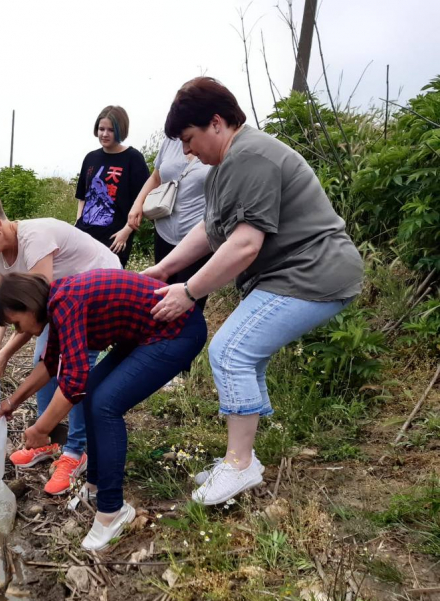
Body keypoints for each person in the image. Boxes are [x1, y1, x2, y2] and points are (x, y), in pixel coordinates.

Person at [143, 77, 364, 505]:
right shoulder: (223, 167)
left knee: (230, 351)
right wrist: (163, 269)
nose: (187, 151)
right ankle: (241, 458)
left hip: (313, 272)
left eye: (189, 139)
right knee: (247, 353)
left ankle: (240, 465)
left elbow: (244, 245)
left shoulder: (252, 156)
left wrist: (187, 292)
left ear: (217, 122)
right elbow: (210, 230)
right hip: (289, 274)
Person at [0, 271, 206, 551]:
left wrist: (41, 429)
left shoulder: (65, 301)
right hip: (144, 334)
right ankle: (94, 486)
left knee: (105, 405)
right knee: (94, 391)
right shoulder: (57, 303)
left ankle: (113, 511)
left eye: (17, 324)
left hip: (177, 332)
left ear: (28, 304)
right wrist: (12, 402)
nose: (21, 332)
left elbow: (73, 381)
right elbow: (50, 364)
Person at [0, 189, 121, 495]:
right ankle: (49, 440)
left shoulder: (35, 238)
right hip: (63, 300)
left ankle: (76, 451)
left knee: (74, 370)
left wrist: (5, 356)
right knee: (42, 363)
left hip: (99, 293)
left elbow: (36, 310)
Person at [127, 136, 212, 309]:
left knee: (189, 302)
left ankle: (188, 335)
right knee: (160, 293)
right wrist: (138, 204)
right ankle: (160, 334)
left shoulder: (213, 143)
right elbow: (156, 177)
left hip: (198, 236)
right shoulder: (170, 141)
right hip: (164, 230)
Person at [75, 105, 150, 267]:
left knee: (109, 287)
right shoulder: (90, 158)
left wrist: (126, 232)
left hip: (115, 239)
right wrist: (77, 226)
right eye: (101, 129)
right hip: (85, 237)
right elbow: (82, 196)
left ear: (120, 130)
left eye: (111, 130)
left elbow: (143, 199)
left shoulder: (133, 158)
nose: (104, 134)